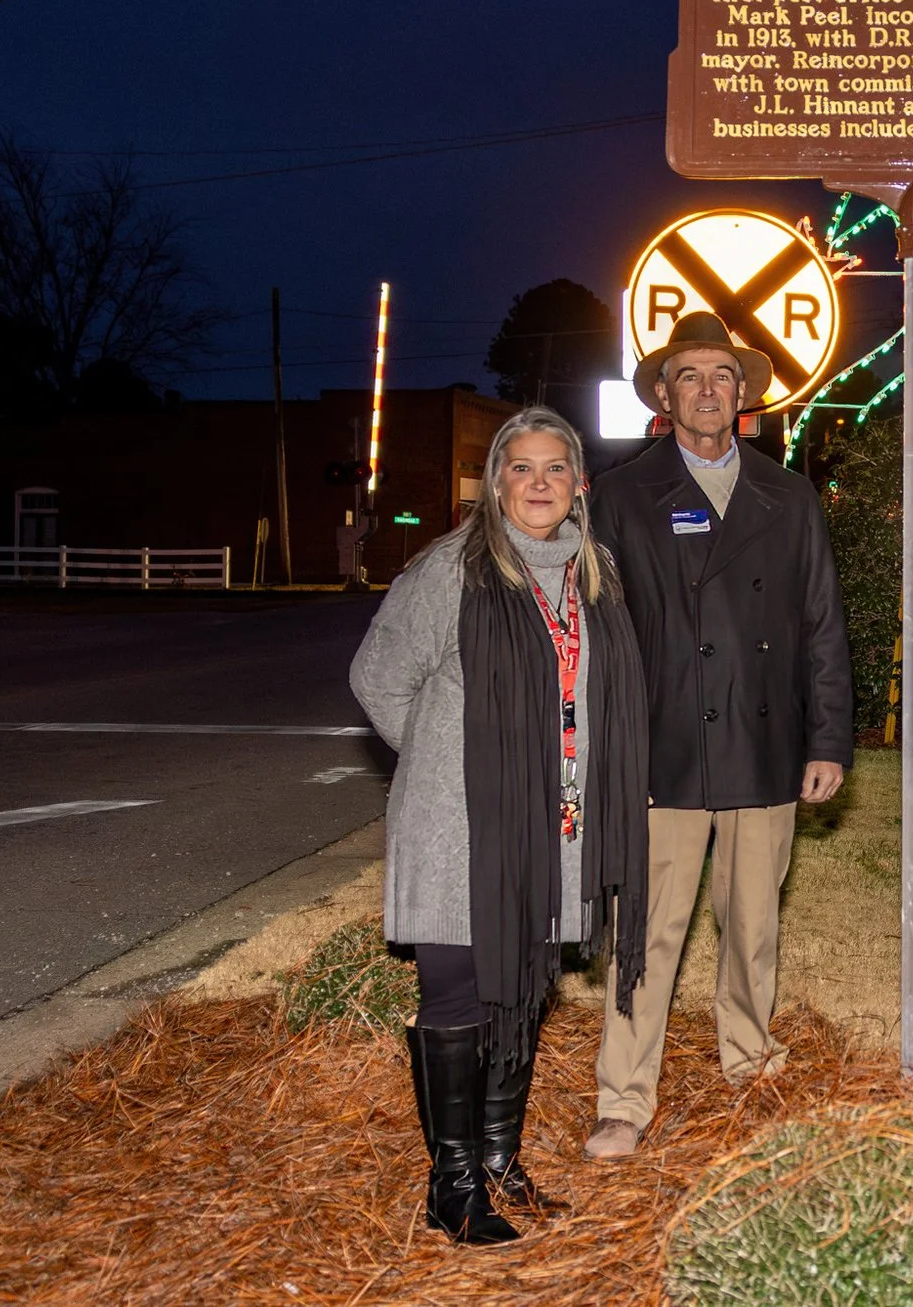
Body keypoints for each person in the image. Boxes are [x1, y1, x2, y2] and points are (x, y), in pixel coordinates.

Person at [349, 406, 651, 1245]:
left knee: (523, 984)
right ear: (496, 481)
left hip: (557, 823)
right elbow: (377, 678)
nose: (539, 482)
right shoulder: (451, 570)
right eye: (522, 467)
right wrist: (454, 757)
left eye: (556, 467)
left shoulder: (596, 571)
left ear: (579, 482)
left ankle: (495, 1157)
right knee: (457, 989)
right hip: (459, 820)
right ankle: (451, 1185)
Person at [584, 311, 853, 1160]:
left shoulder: (791, 495)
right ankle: (624, 1097)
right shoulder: (619, 496)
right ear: (664, 396)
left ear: (743, 394)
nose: (707, 389)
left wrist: (828, 738)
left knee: (752, 922)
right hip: (659, 747)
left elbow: (822, 624)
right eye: (689, 375)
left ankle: (749, 1057)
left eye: (722, 375)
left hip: (764, 744)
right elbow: (596, 634)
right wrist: (607, 743)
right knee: (646, 930)